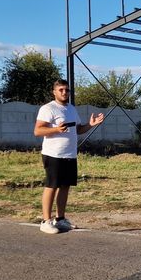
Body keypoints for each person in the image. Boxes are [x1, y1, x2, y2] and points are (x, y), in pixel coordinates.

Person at [34, 79, 104, 234]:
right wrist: (56, 130)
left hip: (70, 154)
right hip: (53, 154)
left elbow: (78, 130)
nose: (64, 92)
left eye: (67, 90)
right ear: (54, 92)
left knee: (65, 186)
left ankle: (60, 219)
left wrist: (91, 124)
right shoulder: (48, 108)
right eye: (61, 90)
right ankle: (45, 221)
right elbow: (38, 131)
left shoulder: (71, 109)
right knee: (52, 186)